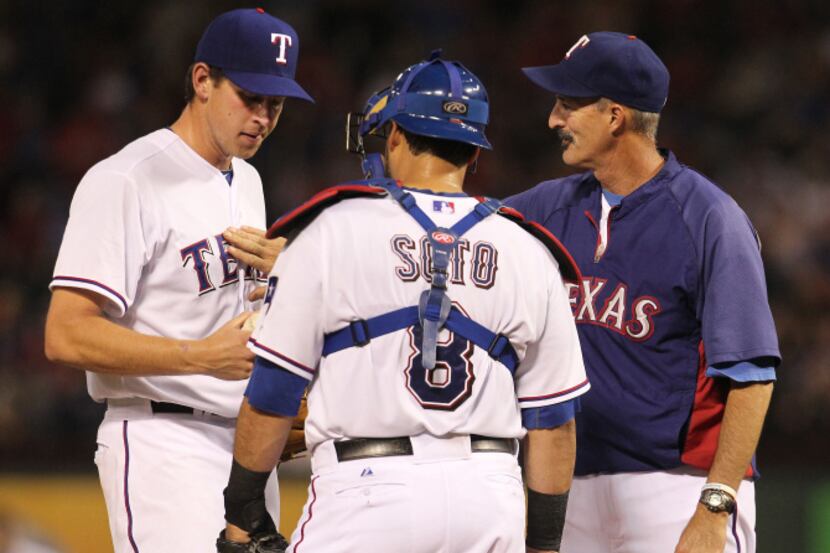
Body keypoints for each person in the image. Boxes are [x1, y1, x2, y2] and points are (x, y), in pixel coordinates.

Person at [218, 54, 589, 553]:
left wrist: (242, 511)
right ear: (473, 153)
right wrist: (543, 545)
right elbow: (554, 422)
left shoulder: (331, 228)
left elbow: (273, 393)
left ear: (393, 136)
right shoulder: (531, 250)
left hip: (368, 491)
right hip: (489, 492)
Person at [43, 8, 313, 552]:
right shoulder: (126, 178)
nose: (262, 116)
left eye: (275, 104)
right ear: (202, 80)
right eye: (250, 96)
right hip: (161, 439)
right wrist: (200, 357)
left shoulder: (249, 179)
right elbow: (65, 334)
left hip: (243, 446)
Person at [505, 32, 780, 553]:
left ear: (615, 117)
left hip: (677, 487)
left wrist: (715, 504)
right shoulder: (545, 208)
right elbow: (452, 230)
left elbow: (752, 377)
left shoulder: (709, 217)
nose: (553, 120)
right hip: (569, 484)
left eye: (568, 104)